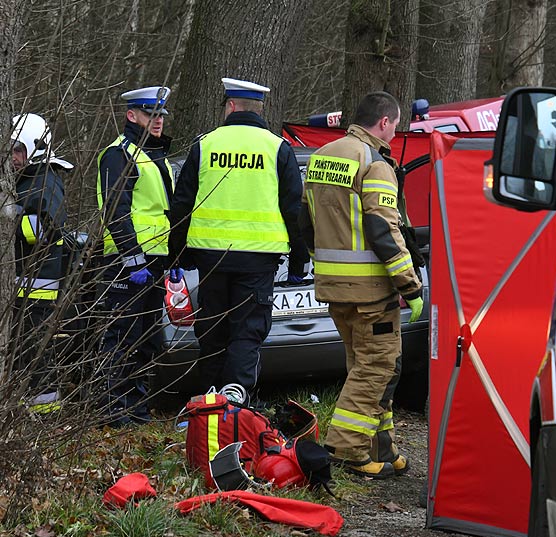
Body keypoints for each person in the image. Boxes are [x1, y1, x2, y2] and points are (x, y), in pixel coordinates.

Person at [299, 92, 424, 479]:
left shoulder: (323, 155)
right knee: (377, 368)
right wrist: (410, 285)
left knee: (367, 366)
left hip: (334, 286)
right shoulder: (374, 163)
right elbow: (383, 228)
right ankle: (346, 449)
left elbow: (305, 220)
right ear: (384, 123)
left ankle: (380, 446)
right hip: (371, 291)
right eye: (395, 124)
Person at [169, 77, 309, 404]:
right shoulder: (277, 148)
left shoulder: (204, 145)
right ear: (260, 109)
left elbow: (181, 205)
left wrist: (177, 255)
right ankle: (238, 400)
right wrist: (300, 258)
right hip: (258, 260)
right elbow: (293, 210)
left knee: (212, 332)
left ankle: (208, 401)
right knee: (247, 332)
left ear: (231, 106)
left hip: (210, 258)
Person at [97, 85, 175, 426]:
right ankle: (114, 411)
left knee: (146, 337)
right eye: (150, 114)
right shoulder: (119, 154)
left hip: (154, 259)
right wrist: (132, 257)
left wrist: (171, 259)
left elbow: (165, 212)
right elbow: (116, 211)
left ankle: (137, 409)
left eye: (160, 115)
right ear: (132, 115)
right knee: (121, 337)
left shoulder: (157, 156)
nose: (157, 121)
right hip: (126, 262)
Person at [11, 113, 73, 413]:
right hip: (22, 283)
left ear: (36, 147)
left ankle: (45, 412)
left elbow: (46, 231)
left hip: (37, 286)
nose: (13, 157)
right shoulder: (27, 181)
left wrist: (10, 217)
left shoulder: (45, 181)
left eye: (17, 150)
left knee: (35, 350)